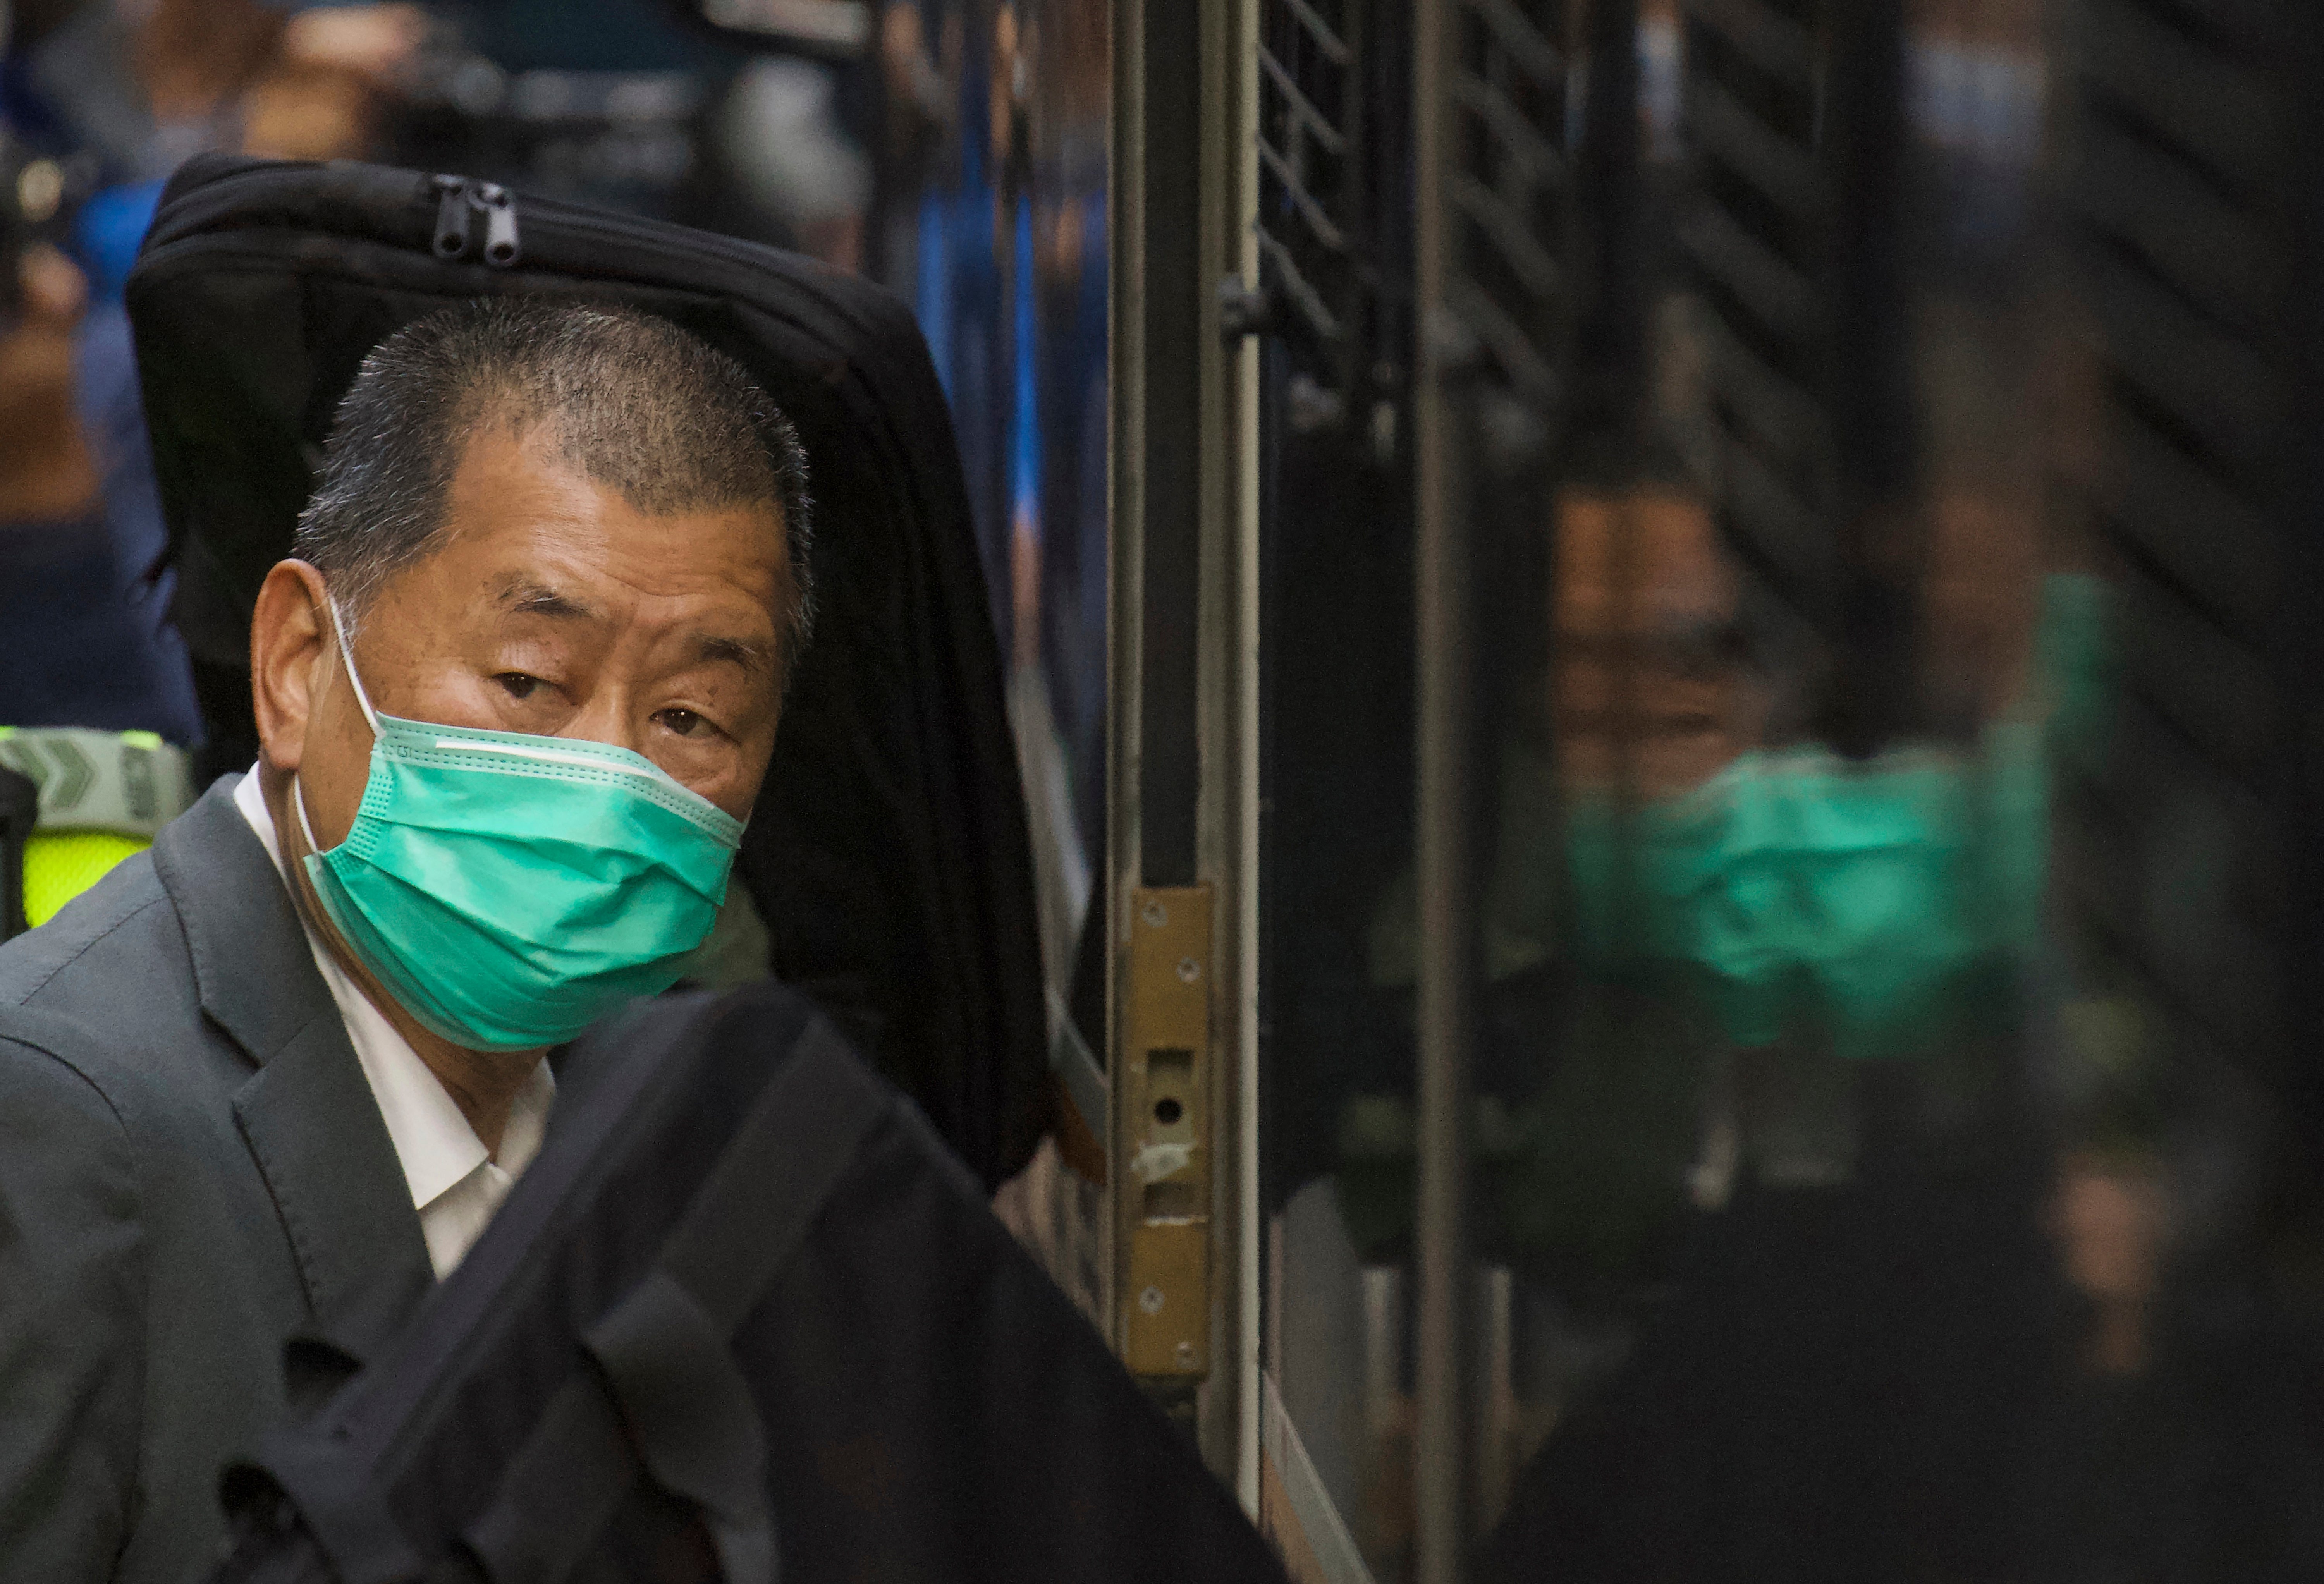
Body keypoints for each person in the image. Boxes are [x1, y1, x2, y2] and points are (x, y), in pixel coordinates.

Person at [0, 297, 813, 1582]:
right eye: (530, 682)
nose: (606, 781)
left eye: (692, 715)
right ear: (297, 666)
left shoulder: (669, 1106)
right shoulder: (52, 1119)